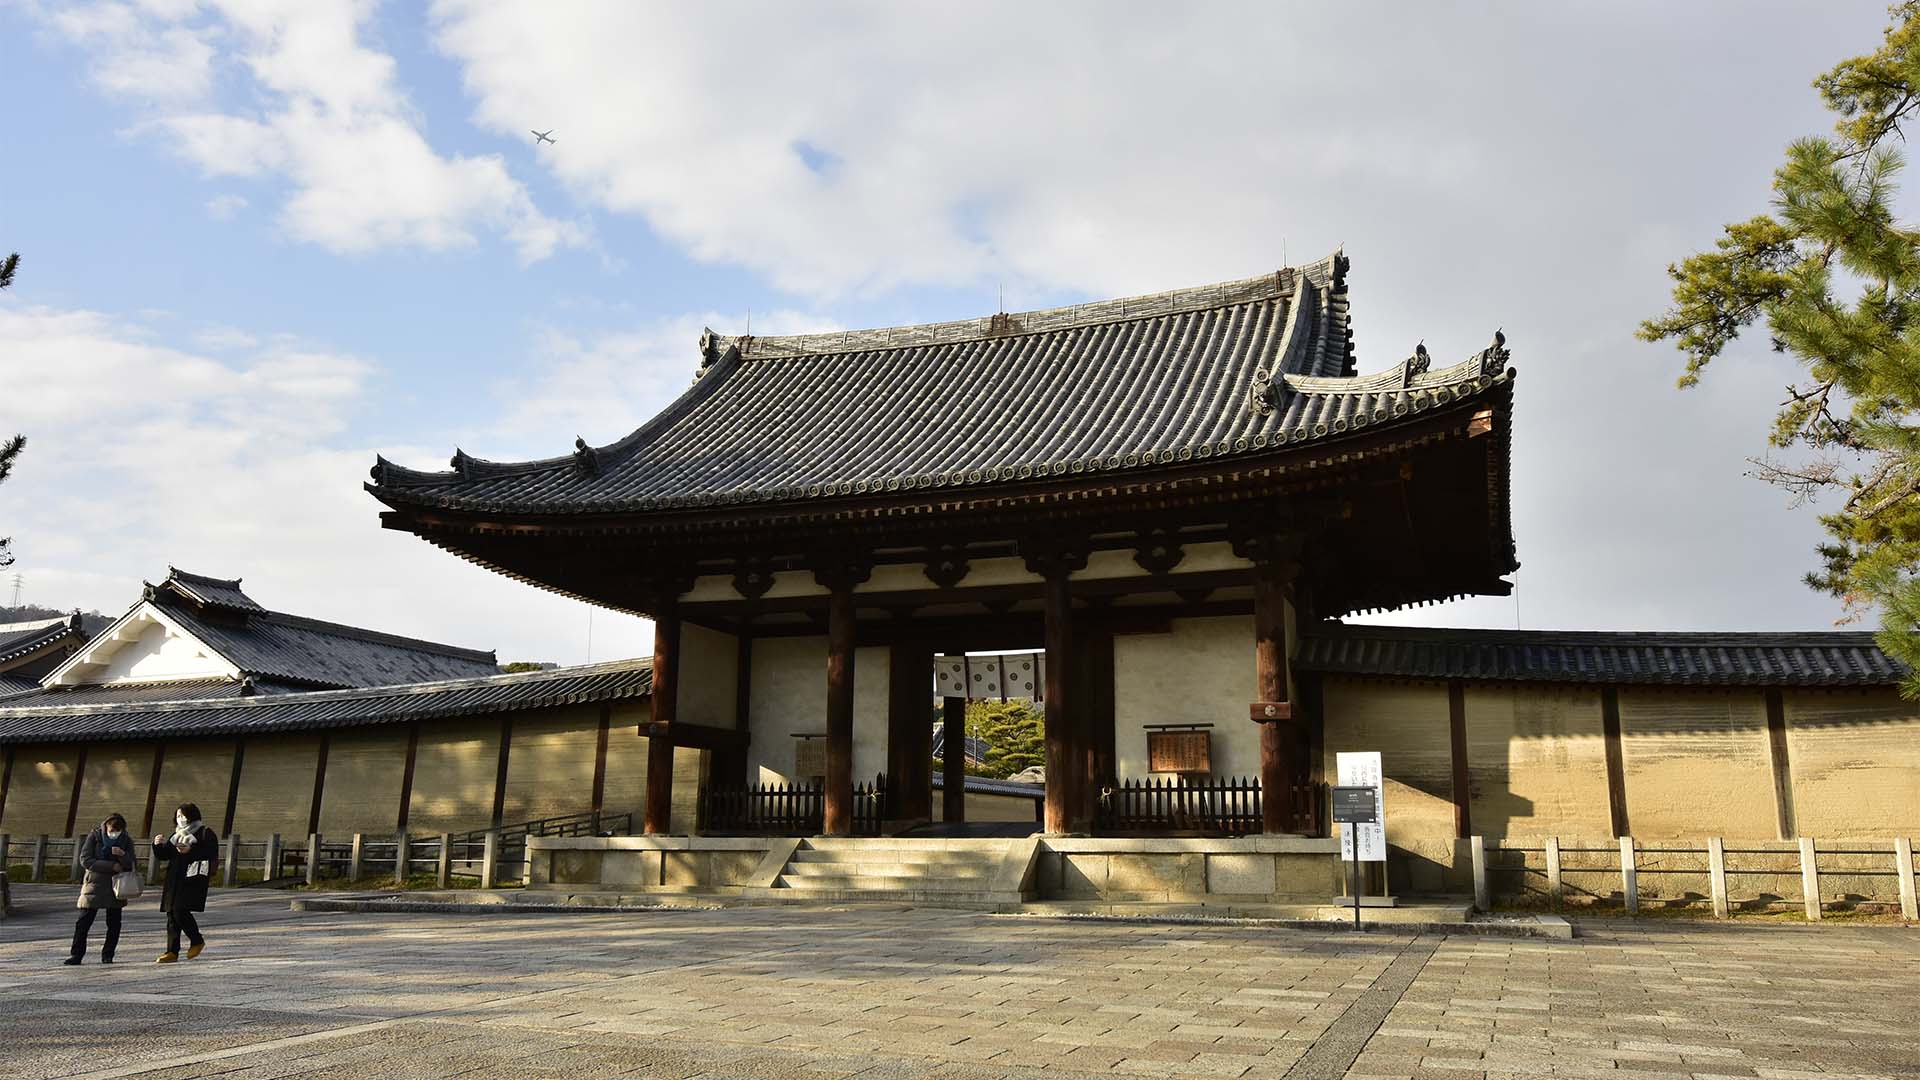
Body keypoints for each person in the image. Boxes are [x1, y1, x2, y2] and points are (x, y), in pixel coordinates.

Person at [65, 812, 136, 965]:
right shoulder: (95, 837)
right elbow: (86, 859)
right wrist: (112, 865)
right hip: (94, 885)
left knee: (114, 923)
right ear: (106, 827)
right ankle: (76, 954)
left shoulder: (126, 840)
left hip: (116, 886)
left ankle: (108, 955)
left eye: (117, 831)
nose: (114, 834)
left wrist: (123, 855)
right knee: (83, 921)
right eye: (112, 830)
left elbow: (131, 863)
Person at [152, 802, 217, 963]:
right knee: (171, 915)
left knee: (180, 910)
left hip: (192, 878)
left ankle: (197, 940)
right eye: (178, 816)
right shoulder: (176, 835)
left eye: (183, 815)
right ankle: (171, 951)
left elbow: (210, 852)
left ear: (192, 816)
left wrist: (191, 850)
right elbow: (165, 855)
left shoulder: (204, 832)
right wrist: (157, 845)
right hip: (174, 878)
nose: (180, 819)